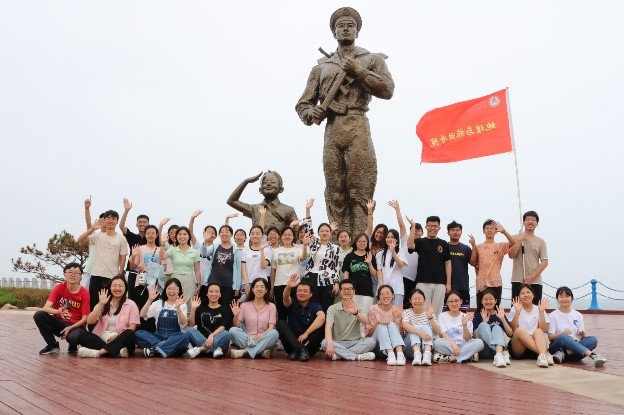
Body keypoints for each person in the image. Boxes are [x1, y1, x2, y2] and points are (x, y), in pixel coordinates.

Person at [295, 7, 394, 236]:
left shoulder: (372, 59)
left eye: (351, 25)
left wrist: (359, 70)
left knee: (360, 187)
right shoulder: (321, 67)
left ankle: (359, 241)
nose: (346, 29)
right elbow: (303, 104)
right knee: (335, 189)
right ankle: (337, 241)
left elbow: (387, 89)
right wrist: (311, 113)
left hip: (357, 124)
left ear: (357, 31)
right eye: (340, 26)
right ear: (334, 33)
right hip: (332, 127)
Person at [76, 275, 140, 358]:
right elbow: (90, 321)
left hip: (122, 339)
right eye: (114, 286)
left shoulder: (131, 304)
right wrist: (100, 304)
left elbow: (132, 327)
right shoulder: (104, 302)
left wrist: (117, 337)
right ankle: (116, 352)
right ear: (110, 288)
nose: (117, 288)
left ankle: (99, 353)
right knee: (83, 336)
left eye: (120, 286)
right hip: (103, 339)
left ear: (125, 288)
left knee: (130, 333)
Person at [33, 262, 90, 354]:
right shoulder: (59, 287)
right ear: (64, 274)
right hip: (60, 324)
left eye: (76, 273)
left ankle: (73, 344)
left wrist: (71, 327)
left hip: (76, 326)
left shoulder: (84, 293)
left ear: (81, 276)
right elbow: (46, 308)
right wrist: (58, 311)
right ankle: (52, 345)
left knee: (73, 338)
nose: (73, 275)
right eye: (70, 272)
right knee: (39, 315)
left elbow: (85, 319)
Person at [77, 210, 129, 310]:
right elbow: (80, 240)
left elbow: (123, 257)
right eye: (108, 218)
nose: (110, 221)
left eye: (113, 219)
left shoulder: (121, 239)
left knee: (108, 305)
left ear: (117, 221)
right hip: (96, 275)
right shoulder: (98, 236)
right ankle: (93, 320)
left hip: (111, 276)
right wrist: (92, 229)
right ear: (104, 221)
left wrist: (120, 274)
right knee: (94, 304)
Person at [547, 286, 607, 367]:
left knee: (593, 339)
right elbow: (550, 337)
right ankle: (593, 355)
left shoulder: (578, 315)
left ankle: (564, 354)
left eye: (567, 296)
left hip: (573, 353)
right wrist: (562, 334)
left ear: (572, 298)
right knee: (564, 337)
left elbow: (581, 337)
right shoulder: (553, 315)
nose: (564, 299)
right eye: (561, 296)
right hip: (557, 348)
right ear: (557, 299)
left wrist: (582, 335)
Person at [300, 199, 341, 312]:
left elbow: (336, 267)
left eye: (327, 231)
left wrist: (336, 283)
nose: (324, 233)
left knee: (327, 306)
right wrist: (308, 209)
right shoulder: (314, 243)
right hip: (312, 277)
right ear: (318, 233)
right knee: (313, 306)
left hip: (328, 279)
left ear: (330, 233)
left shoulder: (335, 248)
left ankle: (325, 324)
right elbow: (308, 227)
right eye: (322, 231)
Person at [321, 280, 376, 361]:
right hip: (338, 342)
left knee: (372, 341)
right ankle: (357, 357)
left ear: (354, 291)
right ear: (340, 291)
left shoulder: (360, 307)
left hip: (355, 342)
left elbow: (366, 321)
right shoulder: (332, 308)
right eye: (344, 289)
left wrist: (356, 313)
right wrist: (329, 344)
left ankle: (339, 356)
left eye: (349, 289)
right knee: (324, 343)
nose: (346, 291)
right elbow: (328, 327)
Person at [407, 216, 451, 317]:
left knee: (437, 312)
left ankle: (435, 328)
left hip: (440, 283)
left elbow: (448, 263)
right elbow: (410, 246)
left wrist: (448, 283)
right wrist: (413, 226)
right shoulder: (420, 241)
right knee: (422, 310)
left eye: (435, 226)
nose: (432, 228)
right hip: (423, 282)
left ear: (439, 228)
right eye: (430, 226)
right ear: (426, 227)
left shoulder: (443, 244)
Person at [227, 171, 298, 232]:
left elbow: (297, 233)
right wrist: (246, 181)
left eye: (273, 182)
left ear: (281, 189)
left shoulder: (288, 210)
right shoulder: (254, 209)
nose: (268, 184)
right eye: (265, 182)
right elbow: (231, 201)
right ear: (260, 190)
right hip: (257, 244)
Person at [135, 279, 190, 358]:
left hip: (174, 337)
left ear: (179, 291)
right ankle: (165, 348)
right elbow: (142, 314)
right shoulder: (158, 303)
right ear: (165, 290)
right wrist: (150, 300)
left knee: (185, 336)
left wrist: (178, 307)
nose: (171, 291)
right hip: (158, 336)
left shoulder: (182, 305)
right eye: (169, 288)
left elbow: (183, 322)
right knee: (138, 333)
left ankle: (155, 349)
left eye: (174, 289)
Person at [276, 275, 325, 361]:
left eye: (305, 291)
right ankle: (301, 350)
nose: (301, 293)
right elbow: (285, 298)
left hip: (309, 346)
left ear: (311, 294)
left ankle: (298, 351)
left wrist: (306, 334)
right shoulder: (292, 303)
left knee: (321, 325)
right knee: (281, 323)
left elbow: (321, 317)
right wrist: (288, 287)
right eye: (299, 291)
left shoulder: (315, 305)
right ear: (296, 293)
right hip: (291, 346)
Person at [469, 220, 515, 309]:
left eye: (492, 228)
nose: (489, 230)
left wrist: (503, 231)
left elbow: (513, 242)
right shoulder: (478, 247)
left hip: (496, 282)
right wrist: (473, 245)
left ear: (496, 231)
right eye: (487, 228)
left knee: (495, 309)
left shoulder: (501, 246)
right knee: (481, 309)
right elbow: (473, 262)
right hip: (481, 283)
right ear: (483, 231)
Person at [229, 278, 279, 359]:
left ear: (266, 290)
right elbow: (237, 325)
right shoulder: (244, 305)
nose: (259, 289)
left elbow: (271, 327)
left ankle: (245, 352)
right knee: (232, 331)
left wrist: (262, 335)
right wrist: (236, 315)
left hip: (264, 337)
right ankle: (261, 351)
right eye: (256, 287)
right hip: (248, 338)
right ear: (252, 289)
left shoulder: (271, 306)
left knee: (274, 333)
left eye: (262, 287)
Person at [507, 284, 552, 367]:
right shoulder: (515, 308)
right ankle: (544, 354)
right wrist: (517, 312)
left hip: (535, 343)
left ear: (533, 295)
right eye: (522, 293)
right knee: (519, 330)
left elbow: (543, 329)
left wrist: (541, 312)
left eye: (528, 292)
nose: (526, 295)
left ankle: (542, 356)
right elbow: (513, 329)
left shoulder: (539, 308)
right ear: (519, 296)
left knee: (538, 331)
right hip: (519, 347)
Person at [509, 211, 548, 304]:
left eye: (533, 220)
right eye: (527, 220)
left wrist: (532, 277)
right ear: (523, 222)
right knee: (516, 308)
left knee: (535, 308)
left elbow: (545, 262)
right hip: (518, 280)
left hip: (535, 282)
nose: (530, 222)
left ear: (537, 223)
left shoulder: (541, 241)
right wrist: (519, 240)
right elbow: (511, 255)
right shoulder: (515, 237)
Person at [432, 291, 484, 363]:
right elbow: (444, 334)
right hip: (449, 344)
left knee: (479, 343)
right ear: (447, 303)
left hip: (464, 344)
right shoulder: (442, 316)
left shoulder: (466, 316)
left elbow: (468, 338)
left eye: (456, 301)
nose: (454, 304)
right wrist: (453, 345)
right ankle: (468, 355)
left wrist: (464, 325)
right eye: (451, 301)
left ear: (461, 301)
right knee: (436, 342)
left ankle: (451, 358)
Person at [201, 225, 245, 309]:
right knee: (211, 307)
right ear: (219, 234)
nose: (224, 234)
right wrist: (205, 241)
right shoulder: (214, 247)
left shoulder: (236, 250)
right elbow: (203, 254)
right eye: (222, 232)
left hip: (228, 284)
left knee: (226, 308)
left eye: (227, 232)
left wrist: (237, 287)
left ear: (231, 234)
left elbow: (239, 269)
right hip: (213, 283)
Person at [185, 283, 233, 359]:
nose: (213, 294)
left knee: (227, 334)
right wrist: (193, 309)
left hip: (218, 341)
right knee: (189, 330)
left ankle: (202, 349)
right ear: (207, 294)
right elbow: (191, 324)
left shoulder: (225, 310)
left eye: (216, 292)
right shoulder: (201, 308)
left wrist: (212, 335)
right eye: (211, 291)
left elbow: (223, 326)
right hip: (201, 340)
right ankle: (214, 349)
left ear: (220, 294)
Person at [472, 289, 513, 367]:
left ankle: (498, 355)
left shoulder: (499, 314)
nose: (488, 302)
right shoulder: (478, 314)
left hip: (496, 352)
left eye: (491, 299)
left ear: (495, 301)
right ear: (481, 301)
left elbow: (510, 334)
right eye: (485, 299)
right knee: (483, 325)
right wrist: (484, 321)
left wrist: (503, 319)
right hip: (484, 350)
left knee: (497, 327)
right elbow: (474, 335)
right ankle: (501, 353)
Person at [162, 226, 200, 311]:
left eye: (184, 234)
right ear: (176, 237)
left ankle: (188, 319)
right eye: (179, 234)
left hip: (190, 280)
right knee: (175, 302)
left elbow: (197, 270)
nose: (182, 236)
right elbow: (162, 257)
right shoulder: (172, 250)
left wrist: (199, 284)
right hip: (175, 279)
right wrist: (162, 244)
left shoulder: (194, 252)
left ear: (189, 236)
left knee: (189, 305)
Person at [365, 285, 406, 365]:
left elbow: (401, 335)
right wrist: (378, 323)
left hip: (394, 346)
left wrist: (397, 320)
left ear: (393, 295)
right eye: (382, 294)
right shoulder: (373, 309)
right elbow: (368, 334)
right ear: (378, 296)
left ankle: (400, 355)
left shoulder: (397, 310)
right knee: (381, 326)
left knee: (391, 324)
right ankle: (390, 354)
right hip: (378, 346)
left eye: (387, 293)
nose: (385, 296)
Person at [271, 226, 305, 321]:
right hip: (279, 284)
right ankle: (282, 330)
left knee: (295, 311)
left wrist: (305, 246)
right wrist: (272, 288)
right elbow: (273, 271)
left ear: (293, 237)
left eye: (289, 235)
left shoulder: (298, 249)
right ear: (281, 236)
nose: (287, 237)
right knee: (281, 312)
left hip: (295, 284)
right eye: (285, 235)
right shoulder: (276, 251)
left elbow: (303, 257)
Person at [130, 224, 166, 313]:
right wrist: (133, 256)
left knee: (153, 308)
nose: (150, 235)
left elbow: (164, 267)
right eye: (148, 233)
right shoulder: (139, 248)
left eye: (153, 233)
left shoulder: (160, 249)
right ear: (145, 235)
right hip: (141, 281)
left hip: (155, 284)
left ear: (157, 235)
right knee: (140, 306)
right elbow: (132, 267)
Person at [119, 198, 149, 297]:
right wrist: (126, 210)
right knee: (132, 298)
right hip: (133, 272)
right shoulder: (132, 237)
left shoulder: (152, 239)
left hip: (148, 273)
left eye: (144, 222)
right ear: (136, 224)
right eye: (140, 222)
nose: (142, 224)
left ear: (148, 224)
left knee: (147, 298)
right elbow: (121, 226)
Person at [402, 288, 440, 366]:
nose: (417, 301)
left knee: (426, 326)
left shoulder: (429, 312)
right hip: (410, 347)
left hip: (428, 346)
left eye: (419, 299)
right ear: (410, 300)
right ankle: (417, 354)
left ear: (424, 300)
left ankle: (427, 355)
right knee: (414, 327)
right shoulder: (407, 312)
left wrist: (430, 317)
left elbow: (437, 332)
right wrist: (421, 333)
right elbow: (405, 325)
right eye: (415, 299)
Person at [342, 232, 377, 313]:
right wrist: (346, 288)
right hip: (352, 291)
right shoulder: (349, 256)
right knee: (352, 314)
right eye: (359, 241)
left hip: (367, 291)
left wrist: (369, 263)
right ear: (356, 242)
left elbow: (374, 274)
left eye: (364, 241)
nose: (362, 243)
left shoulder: (370, 256)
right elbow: (346, 273)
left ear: (367, 243)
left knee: (365, 314)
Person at [375, 229, 407, 306]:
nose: (389, 239)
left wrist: (393, 252)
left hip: (397, 289)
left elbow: (401, 265)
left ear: (396, 239)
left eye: (392, 237)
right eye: (388, 237)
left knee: (396, 311)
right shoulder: (380, 253)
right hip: (383, 288)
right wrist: (382, 287)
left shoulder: (401, 251)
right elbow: (379, 271)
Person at [446, 220, 472, 312]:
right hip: (447, 287)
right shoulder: (444, 247)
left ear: (461, 232)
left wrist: (474, 245)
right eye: (453, 230)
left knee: (462, 313)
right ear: (448, 232)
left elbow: (474, 263)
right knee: (445, 313)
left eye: (457, 230)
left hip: (463, 286)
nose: (455, 232)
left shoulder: (466, 248)